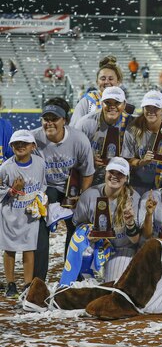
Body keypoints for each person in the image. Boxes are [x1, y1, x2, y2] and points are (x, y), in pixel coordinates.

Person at [31, 99, 95, 282]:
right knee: (40, 226)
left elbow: (88, 172)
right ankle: (37, 280)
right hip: (46, 188)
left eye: (54, 119)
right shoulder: (33, 138)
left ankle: (72, 278)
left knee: (75, 227)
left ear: (64, 120)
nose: (49, 123)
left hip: (71, 189)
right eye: (46, 118)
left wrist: (82, 197)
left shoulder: (79, 139)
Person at [72, 157, 142, 283]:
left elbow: (135, 240)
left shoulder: (133, 198)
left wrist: (130, 222)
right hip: (97, 246)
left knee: (112, 286)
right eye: (111, 172)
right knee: (87, 283)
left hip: (122, 250)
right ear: (105, 172)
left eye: (120, 173)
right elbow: (78, 227)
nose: (114, 176)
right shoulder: (89, 195)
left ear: (127, 178)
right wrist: (88, 234)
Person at [0, 130, 46, 297]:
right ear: (11, 146)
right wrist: (13, 190)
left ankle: (27, 284)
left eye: (24, 143)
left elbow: (42, 185)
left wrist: (40, 198)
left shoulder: (40, 163)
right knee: (10, 248)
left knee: (29, 248)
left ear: (33, 146)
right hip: (10, 214)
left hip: (29, 213)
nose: (20, 146)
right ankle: (10, 283)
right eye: (16, 144)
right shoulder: (5, 168)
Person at [122, 91, 162, 195]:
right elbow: (126, 160)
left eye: (156, 108)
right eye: (147, 107)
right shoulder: (133, 130)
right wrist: (142, 162)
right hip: (137, 184)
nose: (151, 111)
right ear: (143, 108)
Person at [75, 86, 133, 185]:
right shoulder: (85, 123)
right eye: (108, 102)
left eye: (117, 103)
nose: (112, 106)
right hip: (90, 176)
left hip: (119, 177)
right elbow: (73, 154)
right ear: (101, 103)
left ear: (124, 105)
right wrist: (88, 160)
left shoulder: (132, 125)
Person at [70, 55, 123, 127]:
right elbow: (74, 128)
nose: (106, 82)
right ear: (97, 82)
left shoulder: (123, 102)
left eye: (111, 79)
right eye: (103, 79)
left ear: (118, 81)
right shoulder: (87, 101)